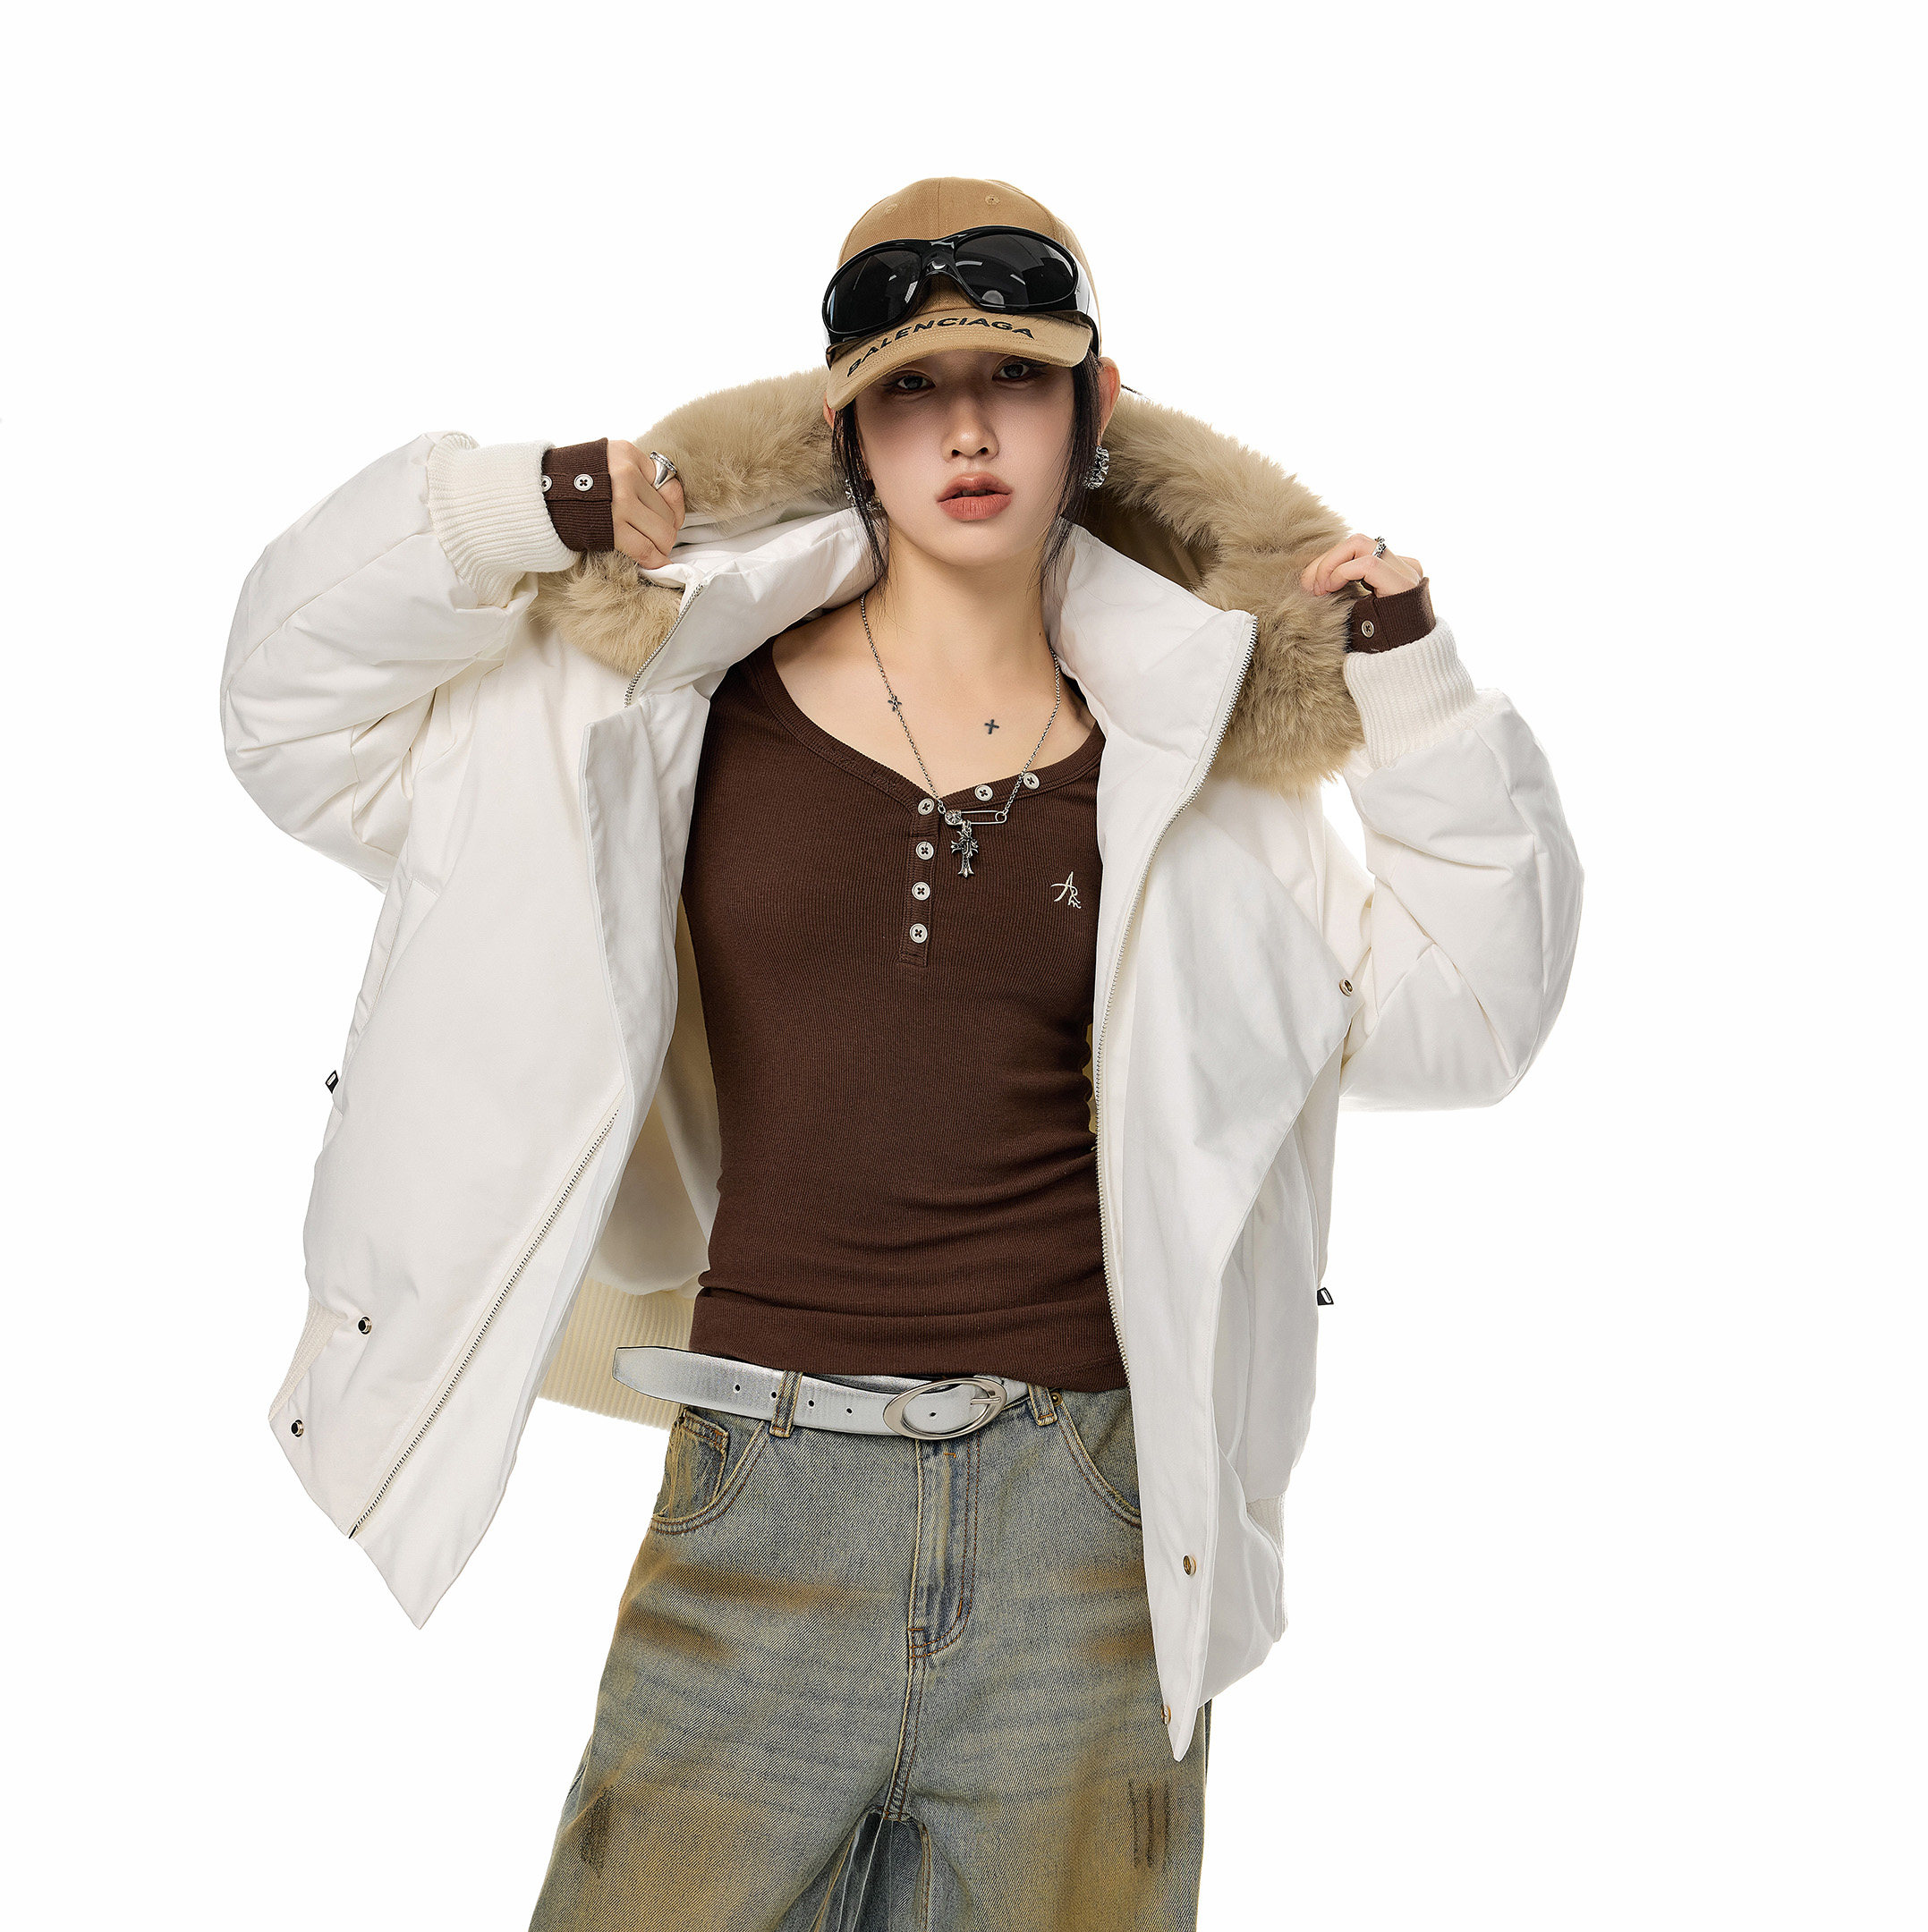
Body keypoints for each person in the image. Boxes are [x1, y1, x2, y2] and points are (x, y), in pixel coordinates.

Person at [220, 175, 1582, 1929]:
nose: (967, 431)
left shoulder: (1192, 777)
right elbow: (287, 714)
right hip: (759, 1500)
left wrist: (1405, 680)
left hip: (1089, 1532)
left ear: (1094, 407)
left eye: (1013, 379)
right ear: (844, 426)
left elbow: (1468, 1018)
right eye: (912, 389)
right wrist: (520, 508)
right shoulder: (651, 703)